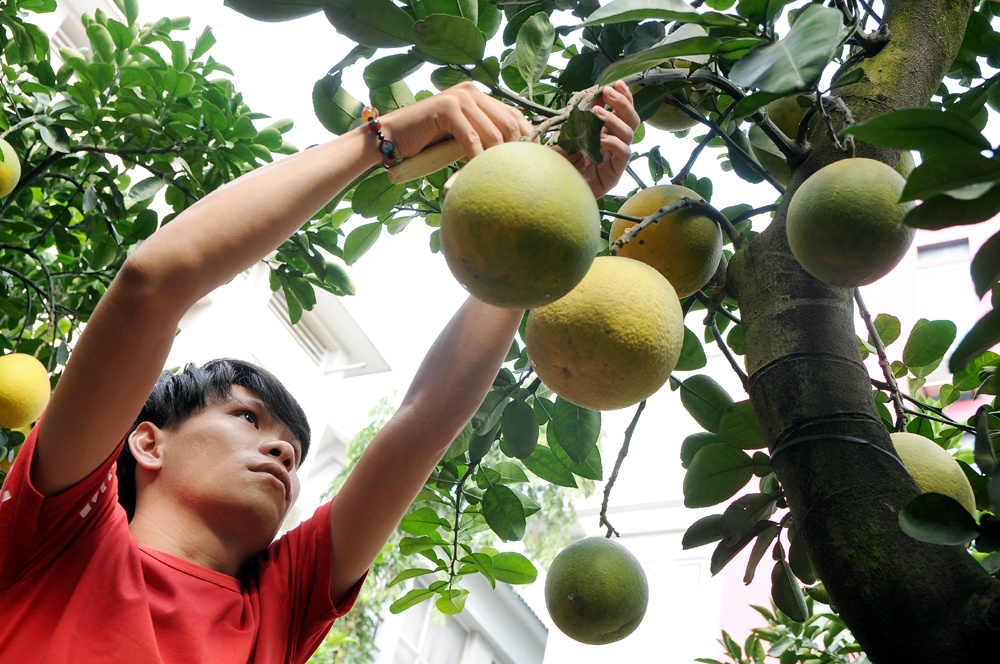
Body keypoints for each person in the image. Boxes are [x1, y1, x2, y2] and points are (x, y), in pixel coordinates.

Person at [0, 80, 639, 662]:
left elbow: (426, 420)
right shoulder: (60, 535)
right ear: (147, 442)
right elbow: (152, 282)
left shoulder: (277, 607)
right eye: (246, 417)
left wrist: (553, 202)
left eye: (296, 450)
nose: (283, 451)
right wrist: (384, 137)